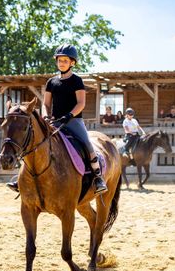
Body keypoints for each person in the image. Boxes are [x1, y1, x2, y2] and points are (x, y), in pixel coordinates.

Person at [7, 44, 107, 194]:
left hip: (73, 121)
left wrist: (69, 115)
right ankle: (22, 179)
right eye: (59, 60)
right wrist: (46, 116)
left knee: (87, 144)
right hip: (54, 121)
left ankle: (97, 178)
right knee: (33, 144)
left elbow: (81, 103)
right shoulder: (51, 82)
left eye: (65, 60)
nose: (62, 63)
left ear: (72, 62)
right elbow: (46, 103)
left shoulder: (77, 81)